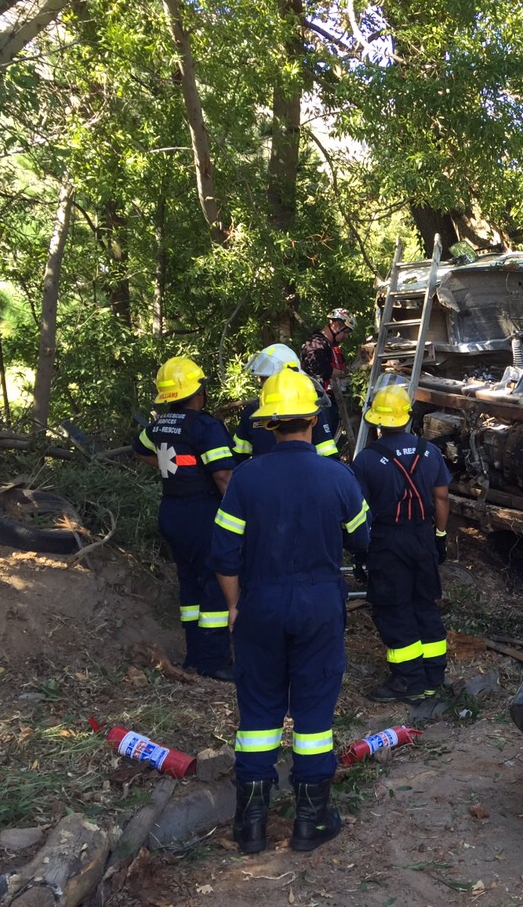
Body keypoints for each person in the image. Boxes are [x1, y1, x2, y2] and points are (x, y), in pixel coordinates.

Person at [210, 367, 370, 856]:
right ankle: (311, 820)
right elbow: (362, 540)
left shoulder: (245, 478)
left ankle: (250, 825)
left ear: (269, 424)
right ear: (313, 419)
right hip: (320, 603)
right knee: (315, 715)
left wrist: (235, 606)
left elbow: (223, 553)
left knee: (258, 716)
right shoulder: (339, 476)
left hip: (259, 604)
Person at [132, 357, 236, 681]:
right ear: (199, 393)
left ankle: (194, 655)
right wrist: (240, 512)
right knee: (215, 583)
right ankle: (215, 660)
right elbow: (223, 475)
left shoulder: (158, 425)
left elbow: (140, 449)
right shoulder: (205, 426)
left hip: (172, 511)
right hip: (202, 512)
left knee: (189, 584)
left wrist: (169, 468)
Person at [351, 378, 452, 705]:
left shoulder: (366, 460)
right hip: (423, 536)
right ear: (408, 417)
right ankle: (434, 678)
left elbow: (359, 512)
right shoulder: (430, 451)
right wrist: (439, 538)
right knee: (425, 604)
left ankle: (408, 682)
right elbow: (442, 499)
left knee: (394, 609)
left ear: (378, 422)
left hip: (387, 540)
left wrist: (360, 552)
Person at [232, 343, 340, 461]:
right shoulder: (252, 412)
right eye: (261, 379)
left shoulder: (309, 410)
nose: (262, 384)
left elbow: (329, 458)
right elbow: (238, 459)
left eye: (266, 378)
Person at [300, 308, 355, 440]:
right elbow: (319, 369)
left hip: (330, 401)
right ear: (336, 325)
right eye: (345, 332)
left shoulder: (328, 346)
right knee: (323, 439)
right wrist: (344, 373)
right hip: (319, 403)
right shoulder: (316, 344)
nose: (345, 337)